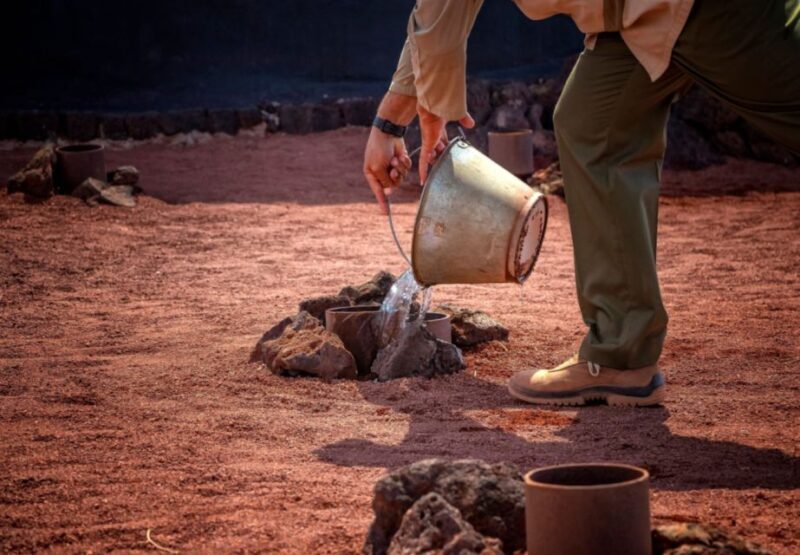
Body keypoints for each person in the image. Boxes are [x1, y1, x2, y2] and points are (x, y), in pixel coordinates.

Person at [363, 0, 800, 406]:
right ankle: (619, 355)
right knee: (592, 122)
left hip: (703, 10)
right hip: (629, 16)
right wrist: (397, 117)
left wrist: (398, 118)